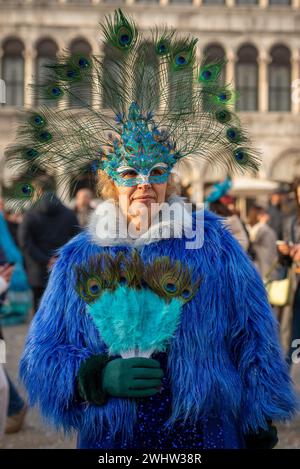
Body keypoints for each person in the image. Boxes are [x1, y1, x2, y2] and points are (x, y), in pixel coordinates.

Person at [5, 9, 297, 449]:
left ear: (170, 180)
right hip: (115, 440)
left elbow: (253, 336)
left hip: (204, 434)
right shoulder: (80, 259)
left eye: (156, 171)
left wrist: (259, 422)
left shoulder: (213, 246)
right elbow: (41, 355)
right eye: (129, 173)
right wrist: (95, 375)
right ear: (109, 182)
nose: (144, 184)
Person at [18, 175, 81, 313]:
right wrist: (60, 258)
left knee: (40, 310)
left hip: (38, 270)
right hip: (64, 267)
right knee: (63, 308)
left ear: (39, 191)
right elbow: (77, 239)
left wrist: (45, 260)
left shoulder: (30, 215)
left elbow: (25, 242)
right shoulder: (69, 214)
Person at [247, 205, 278, 280]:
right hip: (264, 267)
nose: (268, 216)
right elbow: (252, 239)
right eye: (264, 214)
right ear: (258, 216)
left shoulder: (249, 228)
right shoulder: (262, 228)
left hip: (262, 266)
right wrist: (262, 224)